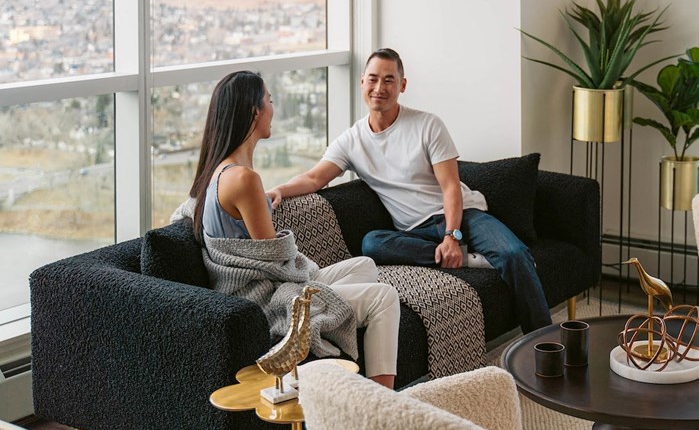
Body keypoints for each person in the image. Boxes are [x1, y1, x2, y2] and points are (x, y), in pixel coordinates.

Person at [268, 48, 552, 333]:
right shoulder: (351, 140)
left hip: (463, 214)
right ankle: (468, 260)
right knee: (372, 244)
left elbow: (451, 186)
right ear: (362, 83)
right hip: (413, 231)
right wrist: (279, 189)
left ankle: (543, 344)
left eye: (389, 80)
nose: (380, 88)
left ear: (402, 85)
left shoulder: (427, 125)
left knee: (515, 254)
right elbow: (315, 178)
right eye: (373, 79)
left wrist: (452, 236)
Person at [189, 70, 400, 388]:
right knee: (384, 297)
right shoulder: (244, 180)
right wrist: (294, 255)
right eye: (269, 101)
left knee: (365, 265)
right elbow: (274, 262)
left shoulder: (218, 171)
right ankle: (381, 405)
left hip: (266, 284)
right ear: (254, 111)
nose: (273, 110)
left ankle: (343, 317)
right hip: (265, 297)